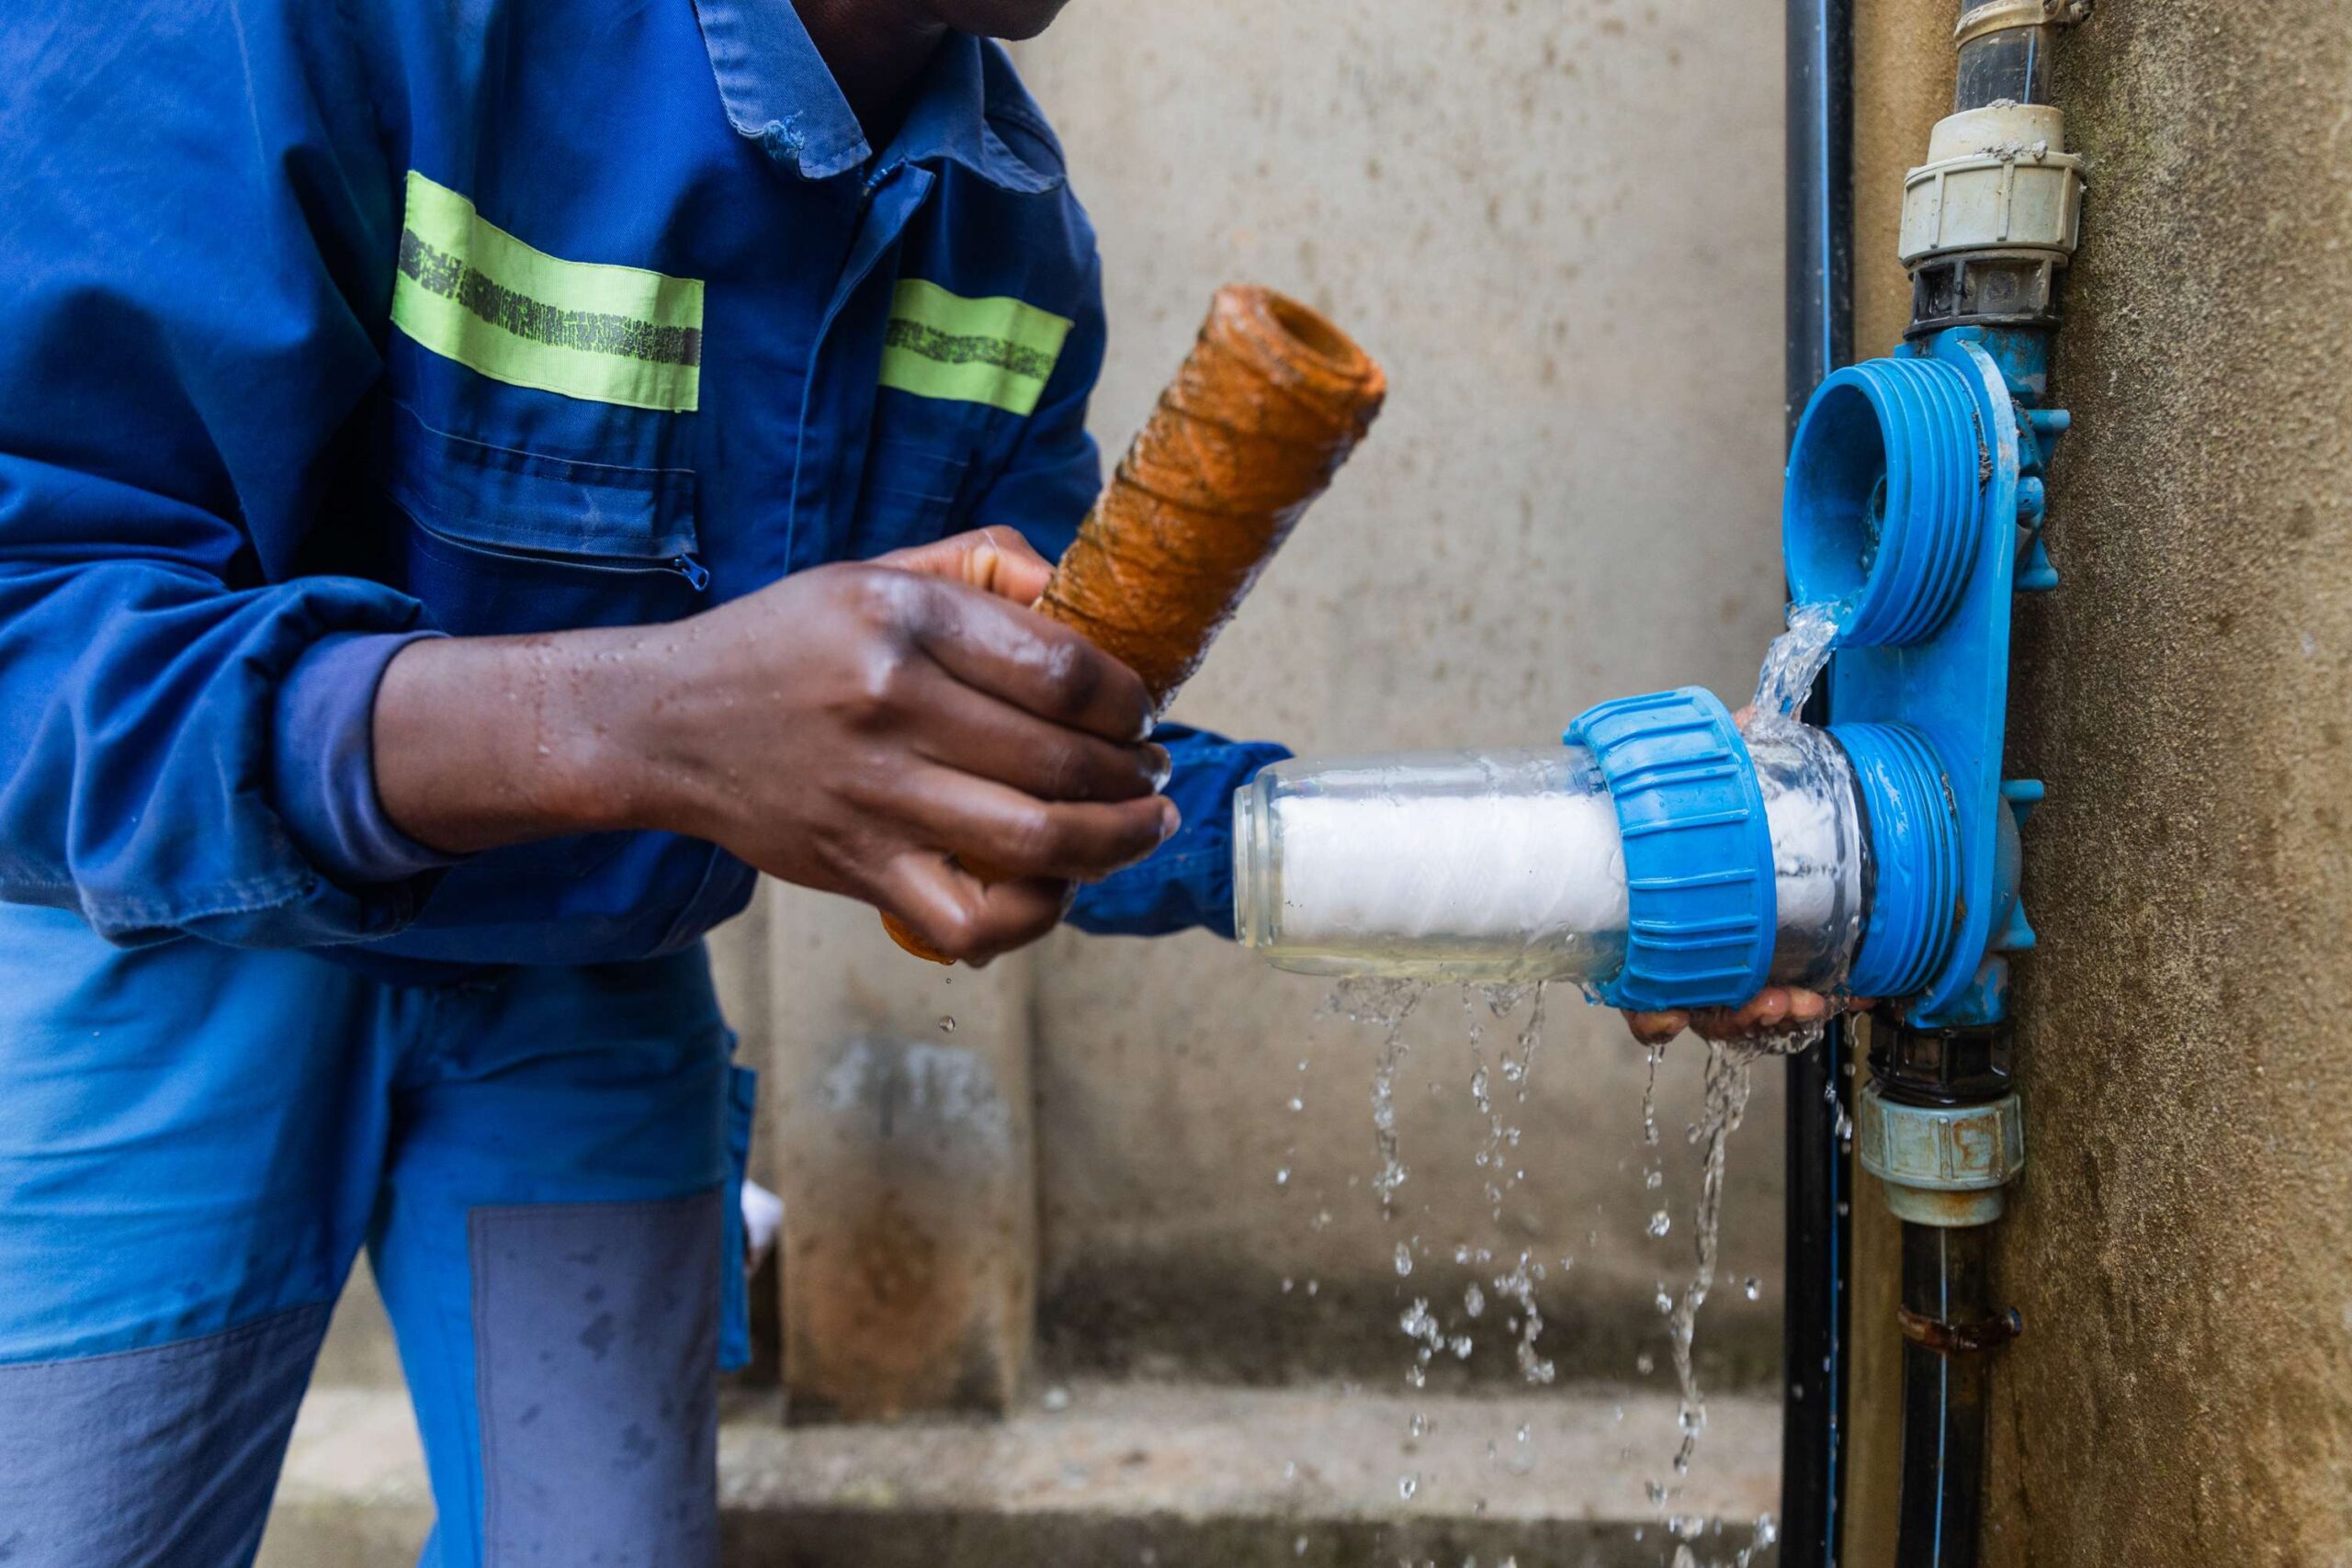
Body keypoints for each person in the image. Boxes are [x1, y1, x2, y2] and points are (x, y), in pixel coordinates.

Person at [0, 0, 1828, 1561]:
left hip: (574, 980)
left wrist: (1569, 877)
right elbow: (36, 639)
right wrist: (638, 718)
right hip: (161, 937)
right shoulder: (306, 32)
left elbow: (1002, 767)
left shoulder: (1002, 250)